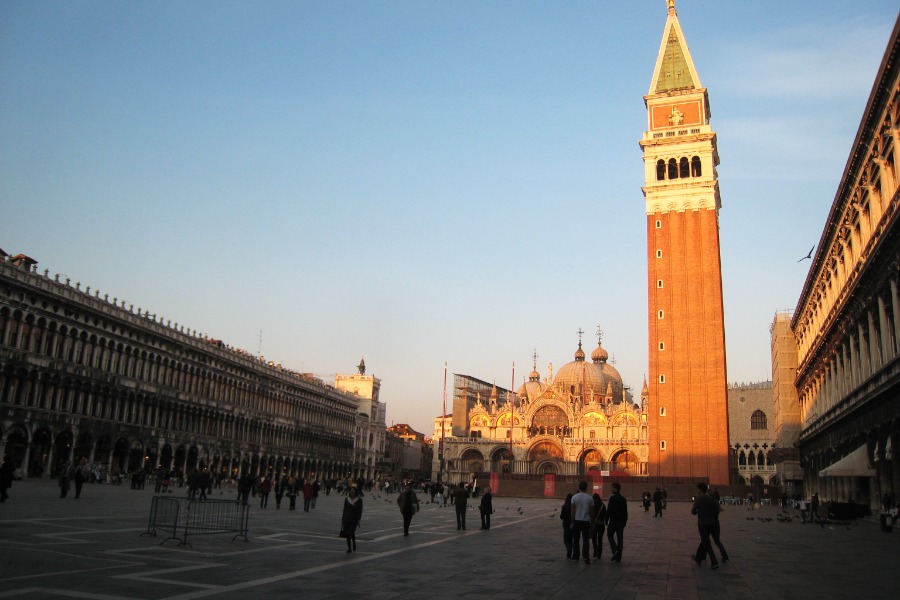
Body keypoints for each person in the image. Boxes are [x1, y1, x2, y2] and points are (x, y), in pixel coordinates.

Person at [691, 482, 729, 569]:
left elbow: (693, 511)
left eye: (698, 489)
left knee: (706, 542)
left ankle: (714, 562)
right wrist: (715, 518)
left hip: (703, 524)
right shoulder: (712, 498)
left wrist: (698, 512)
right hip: (714, 523)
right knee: (715, 541)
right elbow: (718, 510)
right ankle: (700, 558)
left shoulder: (699, 498)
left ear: (700, 490)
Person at [570, 481, 593, 563]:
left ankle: (576, 556)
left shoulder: (574, 497)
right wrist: (592, 522)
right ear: (586, 487)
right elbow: (592, 512)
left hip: (577, 521)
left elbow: (572, 511)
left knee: (576, 539)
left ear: (579, 487)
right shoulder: (590, 498)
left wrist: (572, 522)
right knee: (586, 540)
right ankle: (586, 556)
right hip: (586, 521)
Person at [606, 482, 628, 562]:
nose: (610, 489)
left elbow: (609, 510)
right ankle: (619, 557)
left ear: (615, 489)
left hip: (613, 522)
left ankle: (615, 550)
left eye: (612, 488)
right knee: (620, 539)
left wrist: (606, 520)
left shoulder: (612, 498)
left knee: (609, 535)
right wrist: (625, 521)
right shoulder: (623, 499)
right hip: (621, 522)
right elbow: (625, 511)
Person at [341, 486, 363, 553]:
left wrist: (358, 519)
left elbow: (360, 510)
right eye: (351, 490)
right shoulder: (346, 499)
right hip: (347, 519)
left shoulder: (359, 500)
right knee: (347, 534)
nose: (352, 491)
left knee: (351, 532)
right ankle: (349, 548)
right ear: (349, 492)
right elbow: (344, 510)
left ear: (355, 492)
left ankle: (353, 541)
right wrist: (343, 520)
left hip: (354, 519)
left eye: (353, 490)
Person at [590, 492, 607, 559]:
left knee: (594, 538)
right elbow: (605, 515)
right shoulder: (603, 505)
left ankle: (595, 550)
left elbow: (591, 514)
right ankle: (599, 554)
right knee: (600, 539)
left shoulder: (592, 505)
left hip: (594, 524)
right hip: (601, 524)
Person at [560, 493, 574, 558]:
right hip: (572, 524)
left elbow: (561, 517)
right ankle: (570, 551)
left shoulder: (564, 506)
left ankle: (568, 549)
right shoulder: (574, 506)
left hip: (566, 524)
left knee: (566, 539)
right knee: (571, 539)